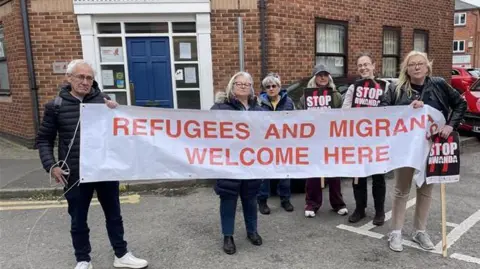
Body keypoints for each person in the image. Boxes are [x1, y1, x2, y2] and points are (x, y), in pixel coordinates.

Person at [36, 60, 148, 269]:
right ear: (69, 78)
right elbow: (44, 140)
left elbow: (122, 132)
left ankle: (121, 254)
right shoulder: (56, 106)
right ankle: (83, 259)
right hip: (75, 173)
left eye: (89, 77)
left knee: (114, 215)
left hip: (104, 169)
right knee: (78, 219)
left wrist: (118, 111)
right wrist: (51, 166)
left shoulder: (105, 101)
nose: (85, 82)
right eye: (80, 77)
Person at [379, 51, 466, 252]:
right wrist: (407, 109)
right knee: (401, 190)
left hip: (431, 147)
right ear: (406, 69)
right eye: (412, 64)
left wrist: (451, 126)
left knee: (426, 189)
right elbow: (382, 113)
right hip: (405, 148)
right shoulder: (395, 89)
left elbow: (460, 104)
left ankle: (419, 231)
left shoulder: (439, 85)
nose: (417, 67)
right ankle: (396, 232)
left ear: (428, 67)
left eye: (420, 64)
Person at [210, 71, 264, 255]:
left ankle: (252, 231)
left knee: (250, 198)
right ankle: (228, 236)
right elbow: (208, 132)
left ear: (251, 88)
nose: (243, 86)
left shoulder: (259, 110)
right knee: (228, 199)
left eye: (246, 84)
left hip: (252, 163)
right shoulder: (219, 108)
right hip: (228, 162)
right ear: (232, 86)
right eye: (239, 83)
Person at [342, 53, 388, 225]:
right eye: (360, 65)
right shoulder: (353, 88)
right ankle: (359, 209)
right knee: (358, 176)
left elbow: (393, 109)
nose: (363, 68)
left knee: (378, 177)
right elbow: (344, 111)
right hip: (358, 141)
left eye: (366, 64)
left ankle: (379, 212)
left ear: (374, 66)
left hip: (378, 141)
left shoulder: (385, 86)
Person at [301, 64, 348, 218]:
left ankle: (338, 203)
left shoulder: (336, 95)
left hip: (331, 138)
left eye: (325, 75)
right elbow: (299, 116)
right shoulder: (305, 97)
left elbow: (341, 115)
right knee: (313, 171)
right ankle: (312, 204)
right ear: (314, 77)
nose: (322, 77)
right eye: (319, 75)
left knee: (334, 172)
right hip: (313, 138)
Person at [257, 73, 295, 214]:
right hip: (265, 145)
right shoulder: (259, 103)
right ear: (265, 89)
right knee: (264, 175)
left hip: (283, 144)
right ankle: (262, 201)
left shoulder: (289, 102)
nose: (271, 88)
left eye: (274, 86)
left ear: (279, 87)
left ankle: (285, 199)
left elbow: (296, 121)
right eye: (268, 86)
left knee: (285, 174)